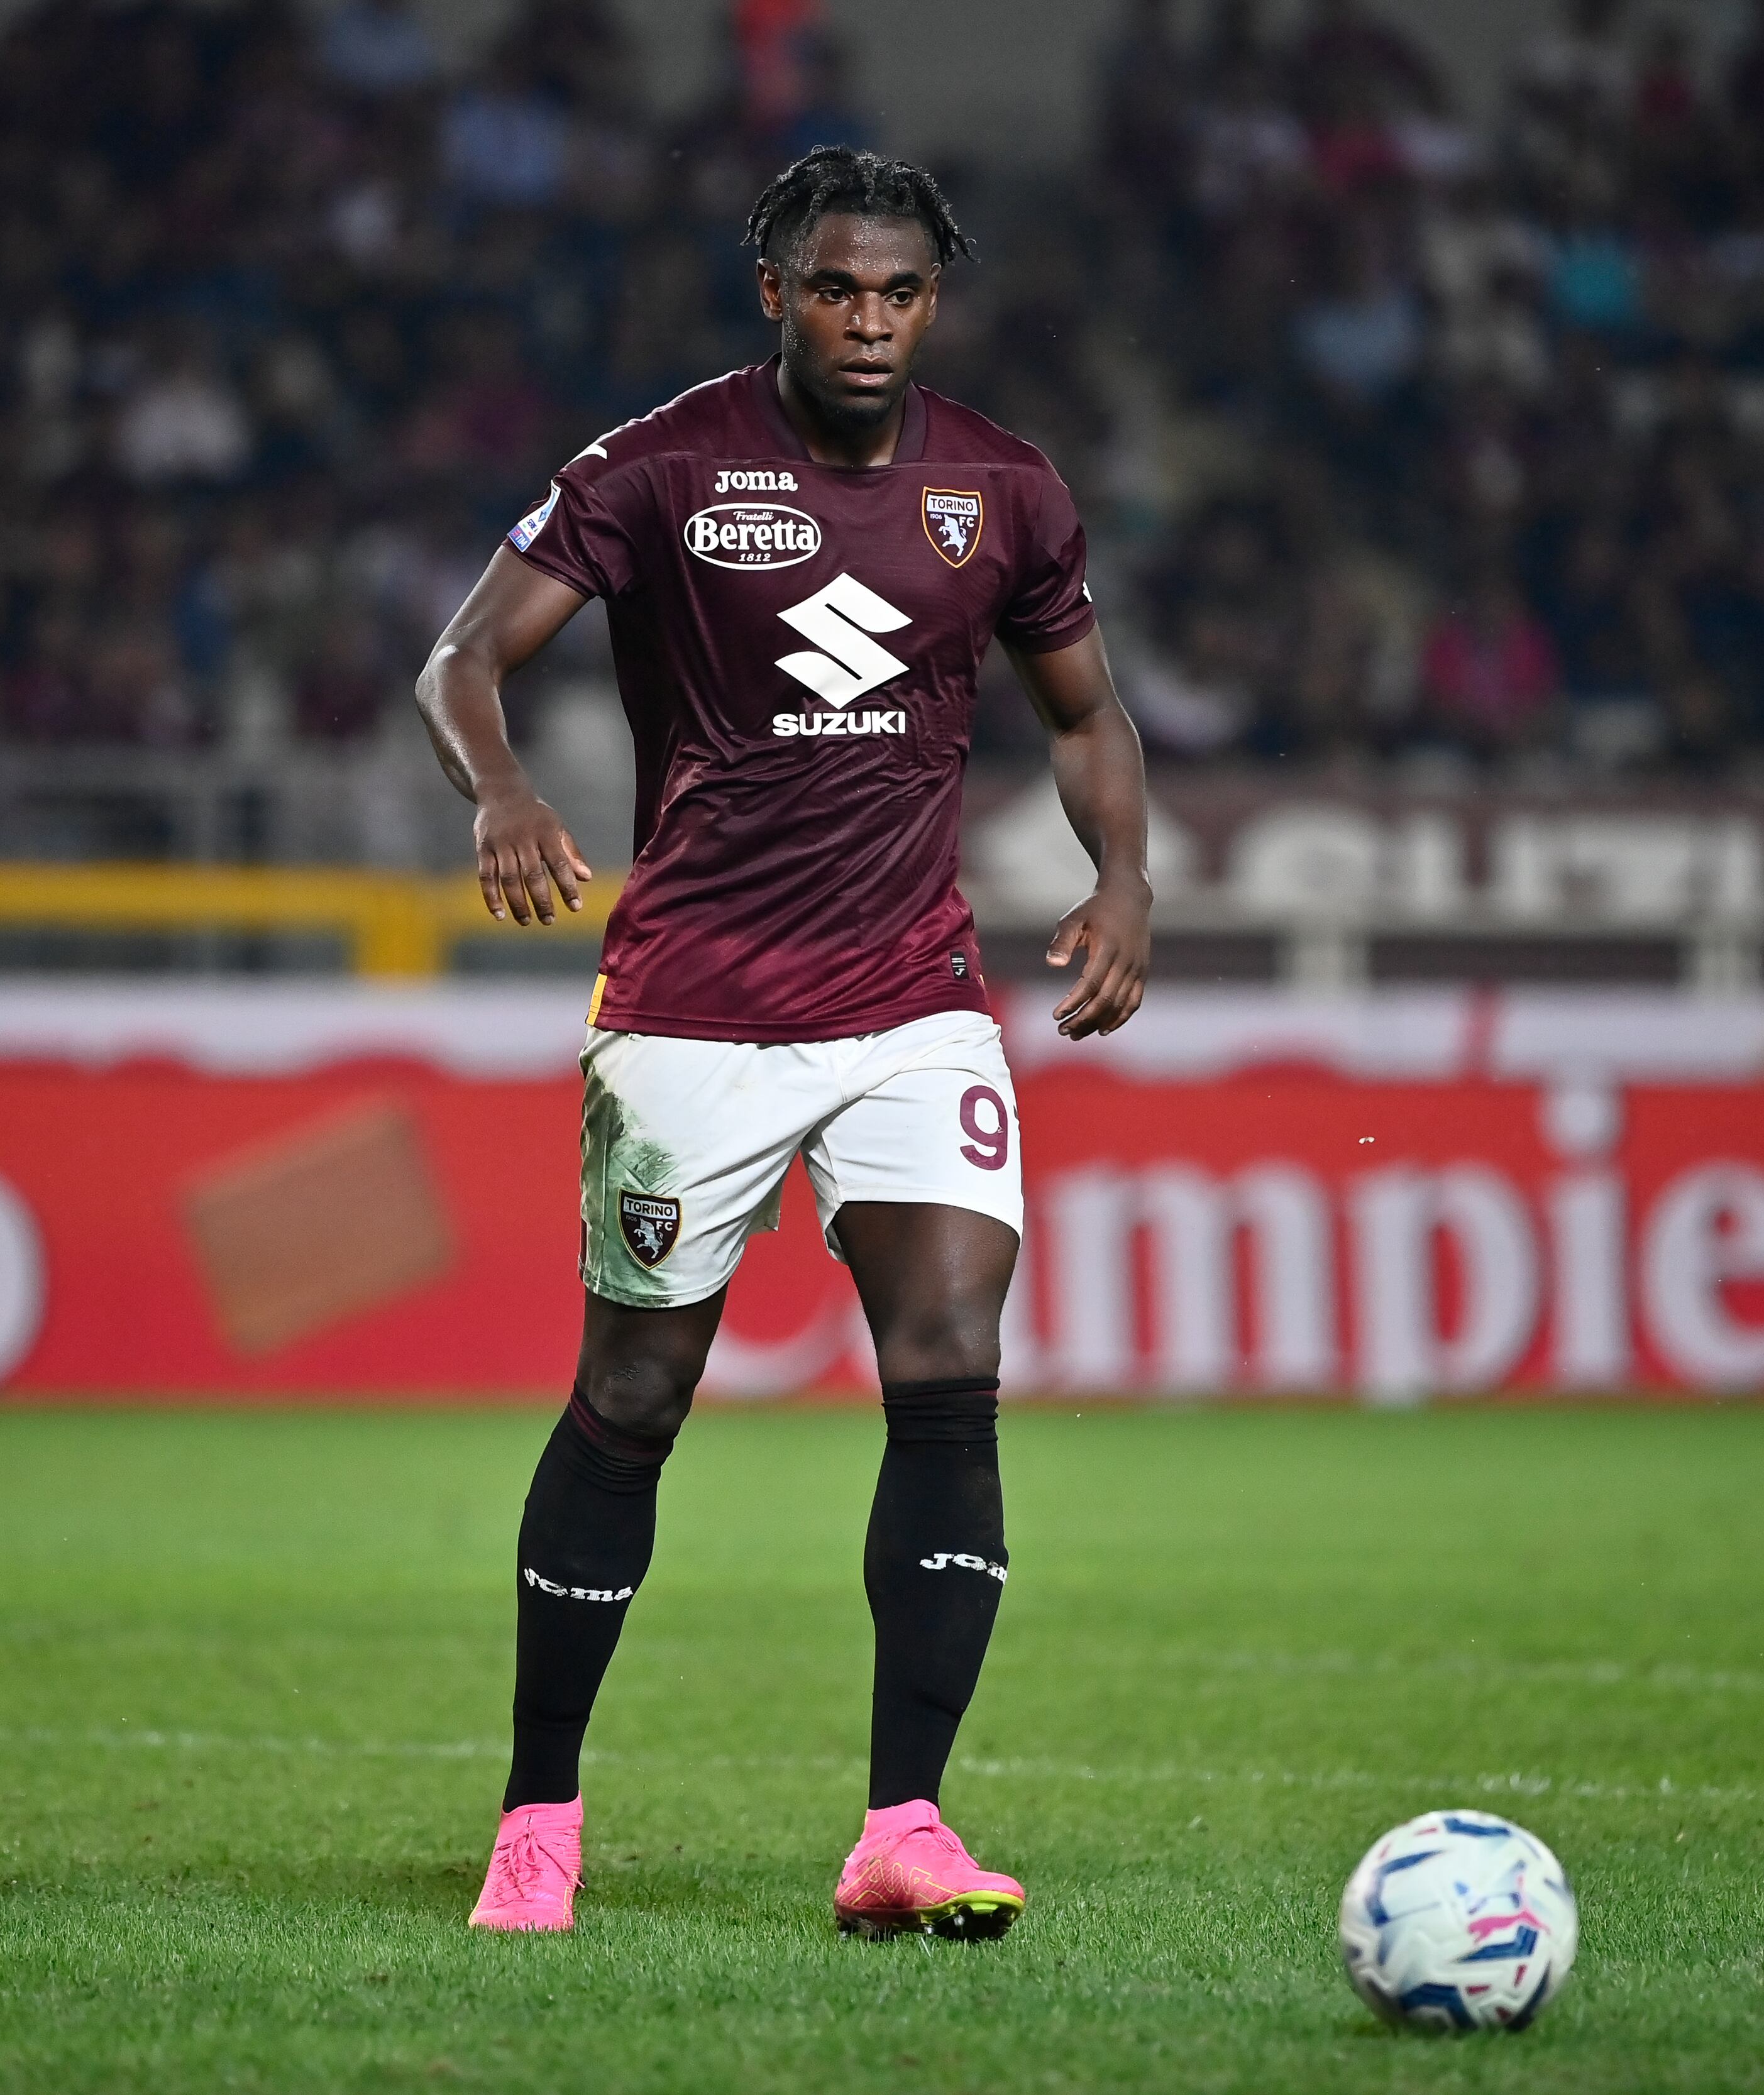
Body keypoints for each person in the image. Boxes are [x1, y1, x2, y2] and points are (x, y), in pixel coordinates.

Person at [414, 147, 1153, 1938]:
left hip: (913, 998)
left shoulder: (1006, 487)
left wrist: (1126, 873)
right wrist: (501, 791)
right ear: (776, 292)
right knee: (633, 1397)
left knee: (950, 1355)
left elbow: (1086, 709)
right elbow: (462, 660)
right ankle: (537, 1817)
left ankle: (905, 1821)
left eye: (900, 292)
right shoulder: (659, 468)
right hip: (694, 1005)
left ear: (934, 301)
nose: (869, 321)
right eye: (836, 288)